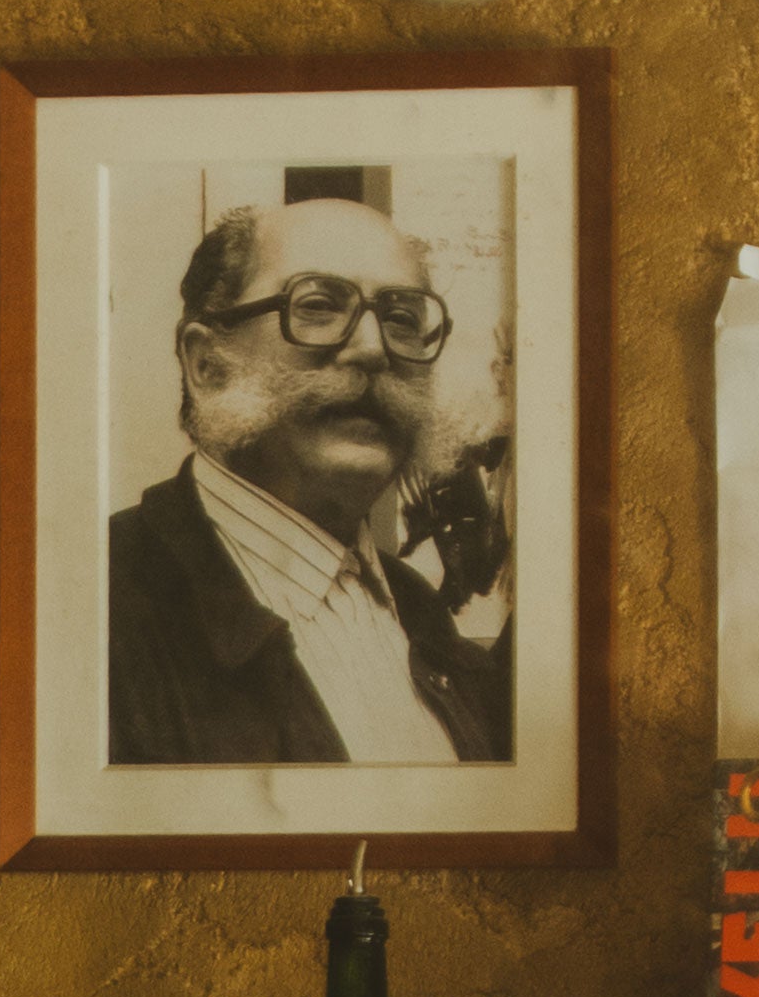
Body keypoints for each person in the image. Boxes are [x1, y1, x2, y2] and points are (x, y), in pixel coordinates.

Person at [102, 169, 517, 769]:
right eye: (318, 306)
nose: (374, 348)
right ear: (207, 364)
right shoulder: (97, 604)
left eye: (402, 317)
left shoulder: (419, 611)